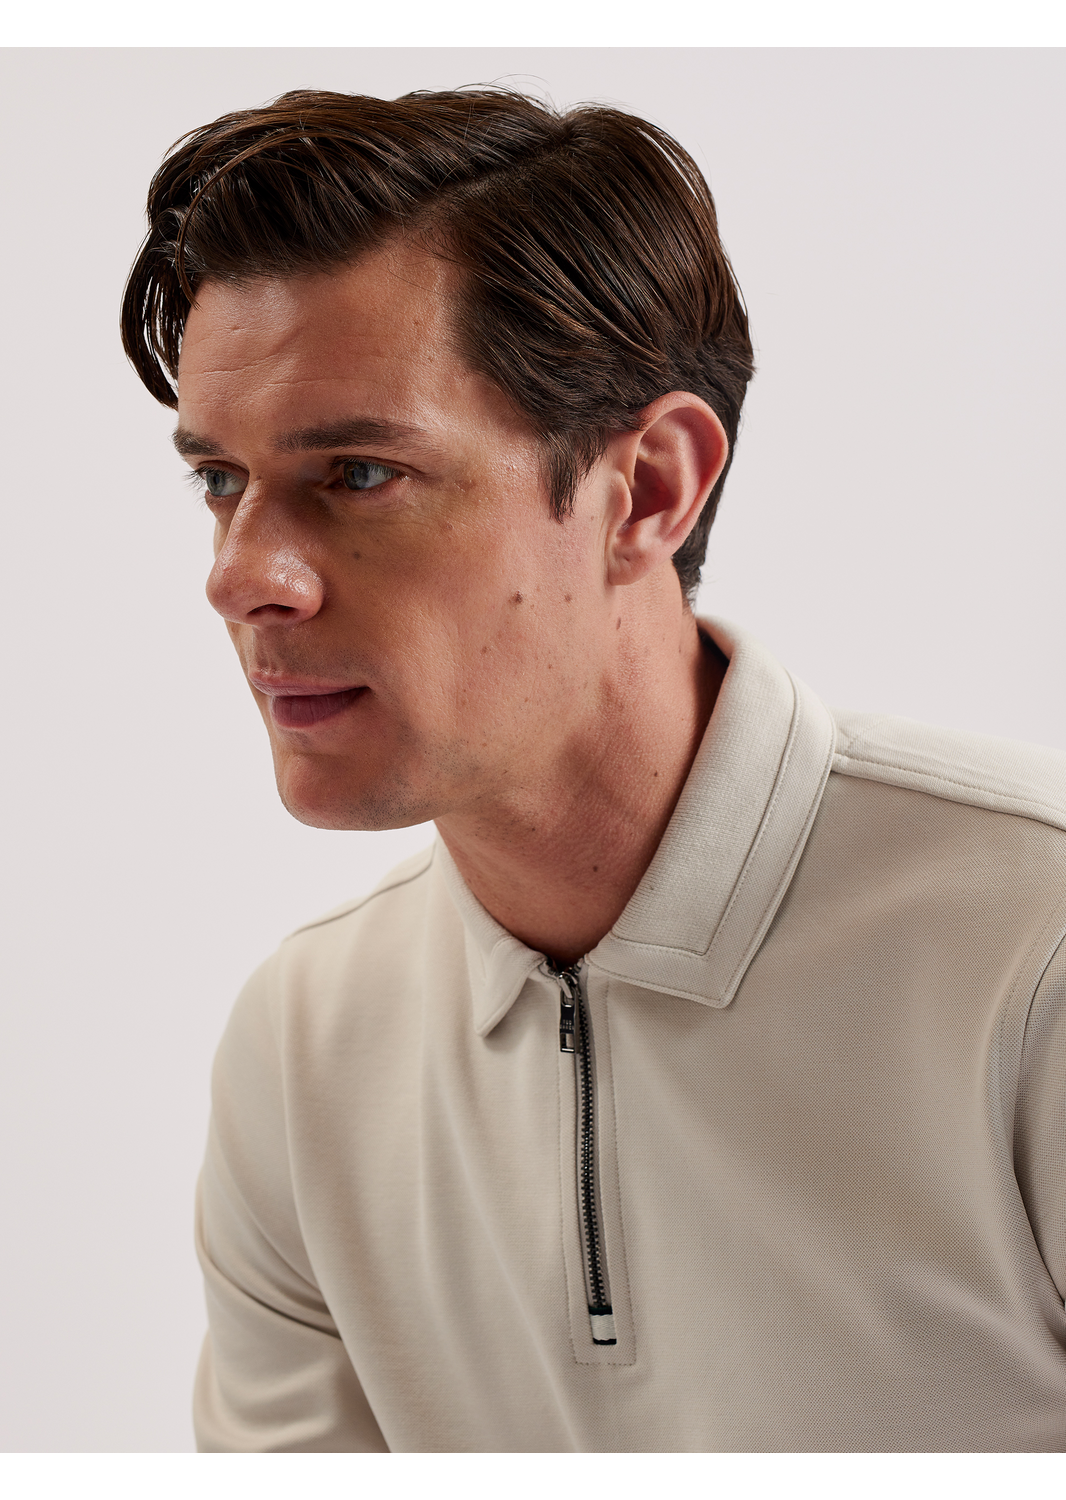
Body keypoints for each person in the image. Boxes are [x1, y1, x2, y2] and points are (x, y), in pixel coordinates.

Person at [121, 88, 1066, 1452]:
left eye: (360, 474)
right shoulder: (306, 1048)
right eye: (220, 481)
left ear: (650, 488)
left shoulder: (1034, 957)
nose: (241, 577)